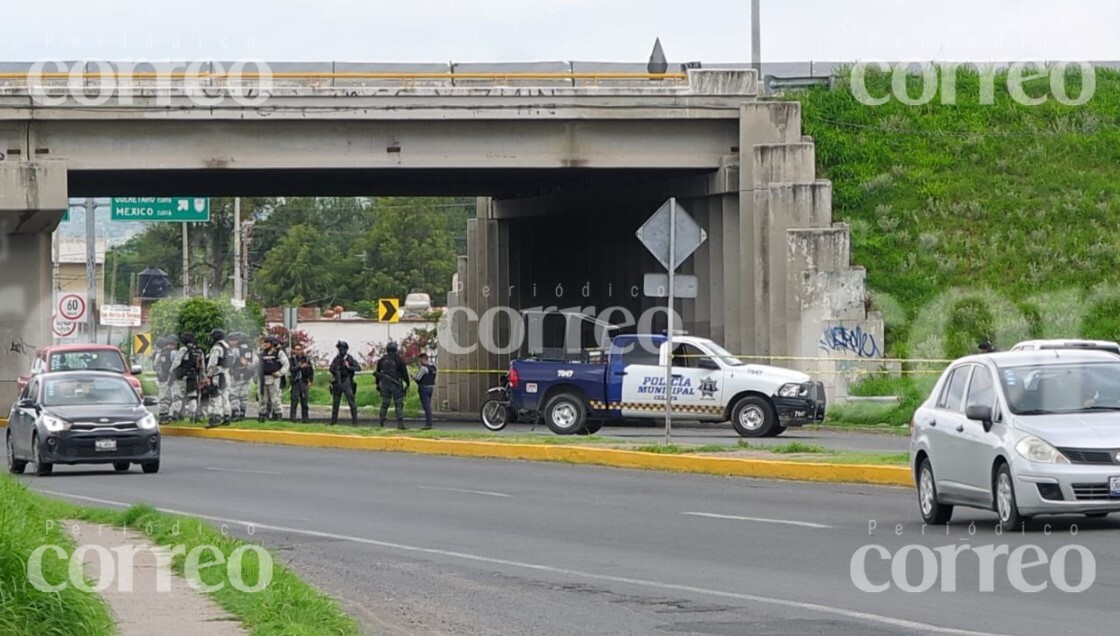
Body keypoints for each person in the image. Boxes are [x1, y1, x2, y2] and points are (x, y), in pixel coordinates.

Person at [170, 332, 205, 423]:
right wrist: (202, 378)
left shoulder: (183, 349)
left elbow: (176, 362)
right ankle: (192, 416)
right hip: (193, 377)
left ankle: (175, 416)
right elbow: (202, 366)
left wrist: (172, 373)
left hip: (182, 377)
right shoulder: (199, 351)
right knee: (192, 397)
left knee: (178, 397)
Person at [375, 341, 410, 430]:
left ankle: (381, 421)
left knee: (385, 403)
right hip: (396, 384)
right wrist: (408, 383)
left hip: (385, 385)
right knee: (398, 404)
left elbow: (377, 373)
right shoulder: (398, 359)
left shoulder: (382, 360)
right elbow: (404, 373)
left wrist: (377, 384)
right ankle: (400, 424)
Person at [205, 328, 233, 428]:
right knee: (225, 396)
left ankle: (216, 417)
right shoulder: (227, 347)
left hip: (218, 375)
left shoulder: (217, 347)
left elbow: (212, 363)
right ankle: (227, 416)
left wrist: (209, 375)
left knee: (216, 397)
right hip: (226, 374)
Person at [258, 336, 289, 421]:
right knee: (262, 398)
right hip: (263, 379)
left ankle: (278, 415)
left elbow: (286, 365)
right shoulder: (262, 353)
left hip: (274, 379)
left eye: (267, 343)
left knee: (275, 398)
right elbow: (258, 365)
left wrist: (279, 373)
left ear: (272, 344)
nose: (265, 344)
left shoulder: (279, 353)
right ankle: (262, 415)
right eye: (264, 342)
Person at [329, 341, 360, 425]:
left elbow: (358, 368)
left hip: (347, 382)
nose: (340, 350)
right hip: (337, 382)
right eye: (339, 349)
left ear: (346, 349)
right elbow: (331, 368)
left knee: (351, 402)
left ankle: (355, 422)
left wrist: (349, 367)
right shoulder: (337, 358)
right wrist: (335, 373)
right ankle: (333, 422)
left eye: (342, 348)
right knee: (335, 403)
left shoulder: (349, 358)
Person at [227, 332, 256, 421]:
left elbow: (229, 362)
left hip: (236, 375)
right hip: (247, 376)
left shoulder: (235, 351)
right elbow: (255, 364)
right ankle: (242, 413)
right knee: (244, 396)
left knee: (234, 395)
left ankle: (235, 414)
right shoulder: (251, 351)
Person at [153, 335, 178, 424]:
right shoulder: (173, 353)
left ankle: (162, 416)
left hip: (163, 378)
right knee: (171, 397)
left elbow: (156, 365)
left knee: (163, 398)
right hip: (171, 378)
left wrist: (160, 374)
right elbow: (176, 365)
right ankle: (168, 416)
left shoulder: (161, 353)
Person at [289, 342, 314, 423]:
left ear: (302, 350)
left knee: (304, 401)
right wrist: (299, 367)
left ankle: (305, 419)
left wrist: (310, 380)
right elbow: (291, 369)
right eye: (296, 349)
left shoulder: (306, 359)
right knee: (294, 400)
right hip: (295, 381)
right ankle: (293, 419)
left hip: (304, 381)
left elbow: (311, 371)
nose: (297, 351)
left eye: (299, 349)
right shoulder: (292, 359)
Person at [413, 352, 437, 430]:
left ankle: (428, 424)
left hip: (424, 388)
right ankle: (429, 423)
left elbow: (418, 378)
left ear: (423, 359)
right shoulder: (433, 367)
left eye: (420, 360)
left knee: (426, 407)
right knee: (428, 406)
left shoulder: (424, 368)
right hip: (431, 388)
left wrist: (412, 376)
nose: (419, 362)